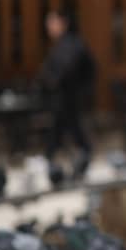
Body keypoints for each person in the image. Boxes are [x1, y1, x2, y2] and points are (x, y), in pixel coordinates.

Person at [38, 11, 95, 164]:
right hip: (65, 96)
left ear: (63, 24)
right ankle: (52, 156)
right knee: (63, 127)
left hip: (69, 95)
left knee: (67, 126)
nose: (49, 28)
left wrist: (52, 80)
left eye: (52, 23)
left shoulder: (71, 43)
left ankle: (82, 153)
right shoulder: (65, 43)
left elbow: (69, 69)